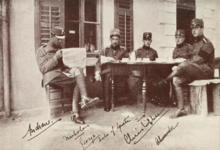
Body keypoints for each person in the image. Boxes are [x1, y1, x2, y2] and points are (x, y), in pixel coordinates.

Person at [36, 25, 100, 124]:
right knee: (78, 80)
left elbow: (65, 65)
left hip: (62, 74)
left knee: (78, 71)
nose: (61, 41)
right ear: (52, 36)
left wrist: (71, 66)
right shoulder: (41, 50)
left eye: (62, 39)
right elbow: (43, 69)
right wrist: (55, 58)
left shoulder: (61, 49)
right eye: (59, 39)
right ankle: (76, 112)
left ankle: (84, 99)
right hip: (51, 77)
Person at [156, 18, 215, 119]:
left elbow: (197, 61)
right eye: (192, 28)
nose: (193, 30)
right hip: (196, 71)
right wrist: (181, 67)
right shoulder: (195, 44)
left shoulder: (207, 43)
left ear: (202, 28)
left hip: (206, 72)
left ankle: (165, 81)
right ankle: (181, 109)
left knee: (183, 65)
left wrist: (180, 67)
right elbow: (192, 62)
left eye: (196, 28)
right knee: (176, 80)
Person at [94, 29, 129, 111]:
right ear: (110, 40)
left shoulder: (123, 50)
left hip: (120, 74)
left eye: (116, 39)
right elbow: (99, 62)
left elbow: (127, 61)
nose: (115, 41)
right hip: (108, 74)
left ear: (119, 40)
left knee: (108, 74)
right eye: (113, 39)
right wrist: (97, 72)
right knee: (108, 75)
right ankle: (107, 104)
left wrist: (120, 61)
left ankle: (110, 102)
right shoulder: (105, 50)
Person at [127, 32, 159, 105]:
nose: (147, 42)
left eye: (149, 40)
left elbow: (156, 65)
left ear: (151, 41)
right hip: (140, 74)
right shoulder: (138, 51)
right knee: (132, 81)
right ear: (143, 41)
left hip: (150, 74)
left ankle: (153, 98)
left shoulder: (154, 52)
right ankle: (133, 100)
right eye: (146, 40)